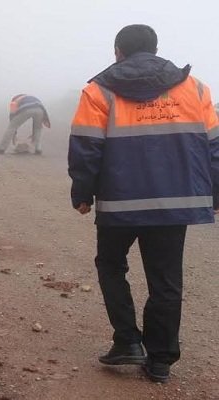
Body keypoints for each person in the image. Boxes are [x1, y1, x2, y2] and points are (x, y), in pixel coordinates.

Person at [68, 24, 219, 383]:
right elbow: (214, 146)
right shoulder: (195, 88)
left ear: (118, 51)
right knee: (166, 280)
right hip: (174, 204)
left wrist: (82, 193)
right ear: (154, 49)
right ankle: (160, 360)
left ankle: (127, 341)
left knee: (110, 265)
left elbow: (86, 146)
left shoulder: (99, 91)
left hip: (120, 204)